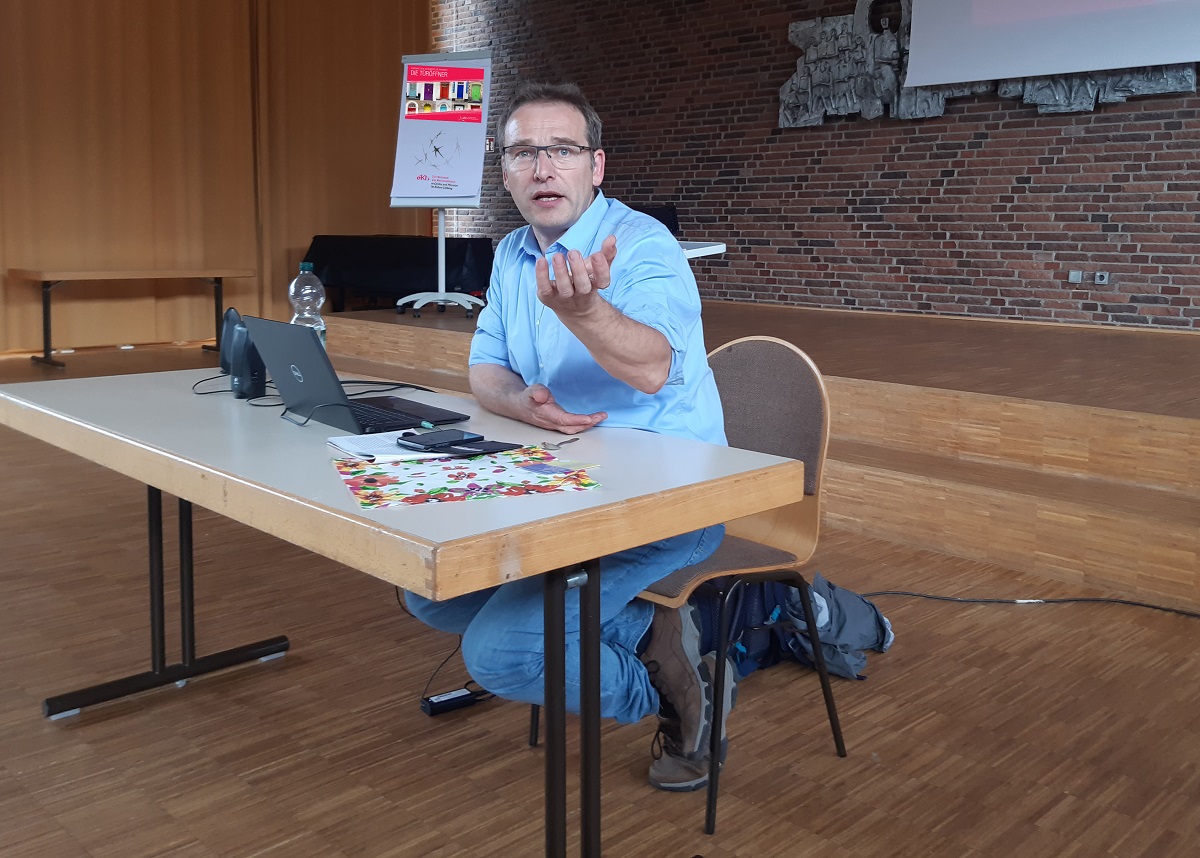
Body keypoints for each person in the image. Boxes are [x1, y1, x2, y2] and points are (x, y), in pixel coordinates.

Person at [404, 81, 733, 792]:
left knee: (499, 655)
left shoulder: (645, 245)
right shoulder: (513, 252)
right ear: (505, 171)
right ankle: (633, 635)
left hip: (664, 501)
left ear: (597, 166)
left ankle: (679, 692)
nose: (543, 168)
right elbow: (484, 369)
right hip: (556, 484)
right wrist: (523, 403)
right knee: (426, 591)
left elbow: (652, 368)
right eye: (524, 152)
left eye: (563, 150)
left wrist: (585, 310)